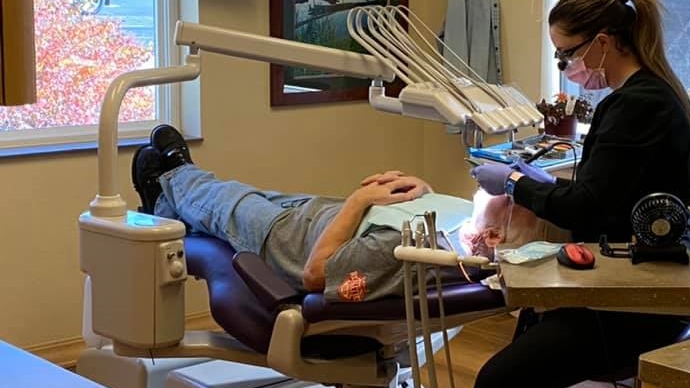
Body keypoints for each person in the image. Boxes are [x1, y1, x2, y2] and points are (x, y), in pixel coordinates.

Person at [458, 0, 690, 388]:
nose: (566, 64)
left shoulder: (638, 106)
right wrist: (541, 184)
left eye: (568, 53)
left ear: (604, 42)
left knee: (500, 379)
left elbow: (589, 208)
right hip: (640, 275)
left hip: (641, 299)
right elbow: (611, 194)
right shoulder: (652, 95)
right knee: (532, 323)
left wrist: (516, 184)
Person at [131, 125, 534, 301]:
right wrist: (422, 193)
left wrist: (359, 201)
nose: (493, 184)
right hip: (320, 214)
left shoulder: (401, 250)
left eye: (506, 193)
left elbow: (315, 275)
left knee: (222, 199)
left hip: (287, 240)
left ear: (494, 238)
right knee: (241, 193)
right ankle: (167, 202)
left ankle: (172, 174)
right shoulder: (467, 228)